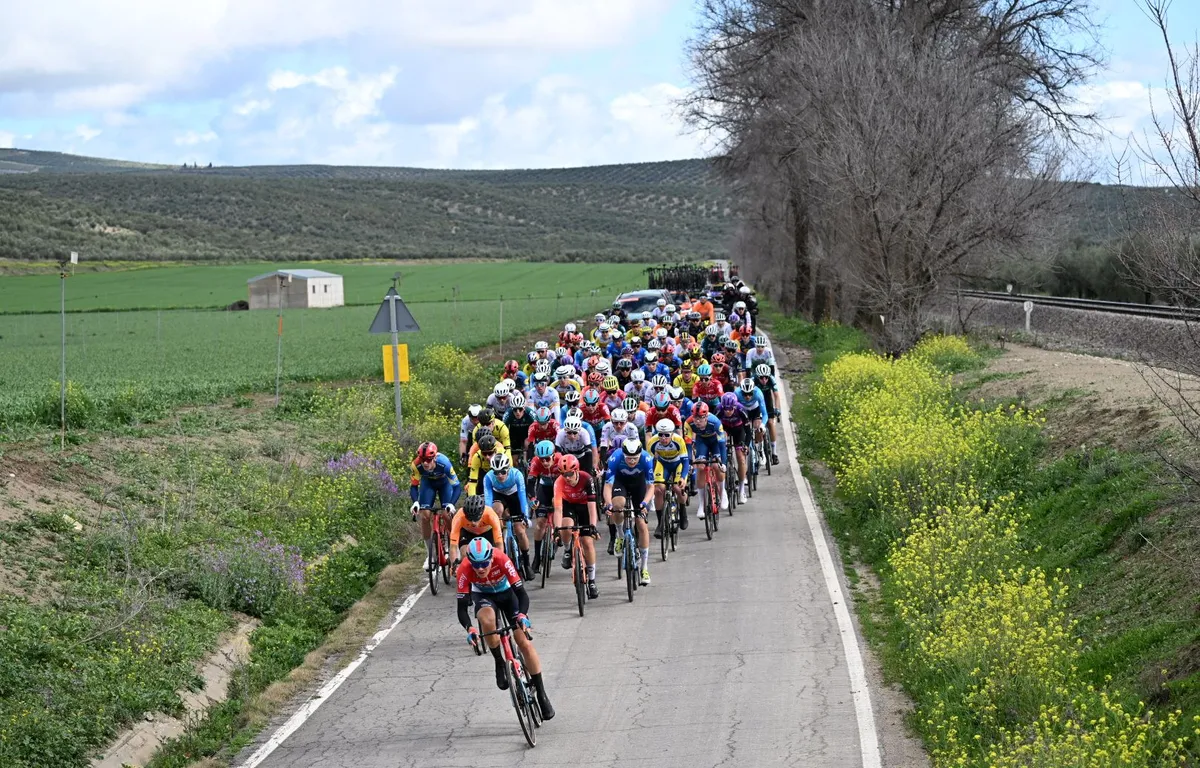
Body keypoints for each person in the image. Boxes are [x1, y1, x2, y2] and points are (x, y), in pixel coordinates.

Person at [456, 538, 555, 719]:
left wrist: (523, 616)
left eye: (484, 563)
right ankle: (499, 662)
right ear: (469, 561)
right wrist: (470, 628)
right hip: (484, 597)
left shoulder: (502, 559)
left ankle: (541, 693)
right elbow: (461, 608)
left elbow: (522, 594)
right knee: (487, 620)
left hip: (509, 595)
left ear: (491, 558)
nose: (480, 568)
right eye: (476, 564)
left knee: (523, 641)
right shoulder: (463, 569)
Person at [603, 438, 656, 586]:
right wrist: (608, 504)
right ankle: (620, 536)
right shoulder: (615, 458)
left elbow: (651, 487)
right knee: (618, 505)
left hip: (639, 484)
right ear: (623, 454)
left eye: (634, 459)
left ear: (639, 455)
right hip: (621, 482)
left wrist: (645, 503)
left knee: (641, 524)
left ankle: (644, 568)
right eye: (628, 458)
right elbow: (608, 486)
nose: (632, 461)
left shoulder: (646, 458)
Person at [553, 454, 600, 599]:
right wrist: (556, 530)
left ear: (577, 470)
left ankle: (591, 580)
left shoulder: (587, 479)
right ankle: (568, 550)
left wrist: (592, 526)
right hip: (568, 506)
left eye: (569, 474)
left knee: (587, 542)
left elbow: (593, 508)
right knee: (566, 526)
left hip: (584, 506)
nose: (567, 478)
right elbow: (558, 509)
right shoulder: (559, 482)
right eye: (563, 474)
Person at [409, 442, 463, 563]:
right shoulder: (416, 465)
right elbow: (413, 486)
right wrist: (415, 502)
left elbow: (457, 487)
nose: (425, 463)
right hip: (428, 484)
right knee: (425, 516)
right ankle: (430, 555)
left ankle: (454, 547)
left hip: (445, 484)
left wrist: (451, 504)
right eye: (423, 460)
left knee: (446, 514)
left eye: (428, 460)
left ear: (434, 457)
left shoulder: (444, 464)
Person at [483, 452, 532, 578]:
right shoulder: (488, 477)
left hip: (515, 496)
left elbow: (522, 496)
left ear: (508, 469)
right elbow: (488, 499)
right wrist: (490, 518)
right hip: (500, 497)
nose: (499, 475)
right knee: (496, 509)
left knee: (520, 530)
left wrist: (525, 515)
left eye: (503, 472)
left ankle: (527, 563)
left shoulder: (517, 474)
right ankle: (500, 534)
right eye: (496, 472)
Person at [646, 418, 690, 533]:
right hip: (663, 463)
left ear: (672, 434)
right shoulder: (653, 442)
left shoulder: (679, 440)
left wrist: (683, 477)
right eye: (661, 435)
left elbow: (685, 461)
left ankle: (683, 511)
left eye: (667, 435)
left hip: (678, 463)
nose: (664, 438)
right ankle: (661, 523)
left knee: (677, 488)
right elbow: (649, 462)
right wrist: (649, 478)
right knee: (658, 489)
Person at [684, 403, 729, 512]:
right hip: (702, 441)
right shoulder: (688, 423)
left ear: (706, 417)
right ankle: (702, 504)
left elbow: (722, 445)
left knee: (716, 465)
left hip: (715, 442)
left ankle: (722, 493)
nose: (697, 421)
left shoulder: (715, 422)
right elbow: (688, 445)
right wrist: (690, 462)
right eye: (695, 417)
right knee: (700, 467)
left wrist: (723, 463)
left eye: (700, 418)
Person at [527, 440, 559, 574]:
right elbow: (530, 483)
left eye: (547, 459)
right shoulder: (535, 462)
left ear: (553, 455)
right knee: (540, 523)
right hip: (544, 488)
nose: (545, 462)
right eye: (542, 460)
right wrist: (533, 499)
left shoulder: (560, 459)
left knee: (559, 510)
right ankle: (537, 558)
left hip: (559, 487)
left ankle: (559, 533)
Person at [717, 392, 751, 504]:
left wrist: (746, 445)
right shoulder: (718, 410)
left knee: (741, 458)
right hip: (725, 429)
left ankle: (741, 490)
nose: (727, 411)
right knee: (721, 452)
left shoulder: (741, 410)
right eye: (725, 409)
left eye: (730, 409)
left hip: (738, 430)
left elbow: (748, 431)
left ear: (734, 406)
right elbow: (714, 429)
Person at [450, 493, 503, 562]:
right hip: (468, 533)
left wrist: (499, 562)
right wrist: (453, 567)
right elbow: (453, 546)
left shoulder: (491, 515)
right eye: (469, 519)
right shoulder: (458, 517)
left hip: (487, 532)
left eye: (476, 519)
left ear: (482, 513)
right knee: (465, 555)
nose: (473, 523)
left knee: (493, 555)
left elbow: (499, 544)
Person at [753, 364, 783, 464]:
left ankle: (774, 454)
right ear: (757, 376)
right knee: (758, 427)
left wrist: (777, 409)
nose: (764, 380)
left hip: (767, 400)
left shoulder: (771, 379)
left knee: (770, 423)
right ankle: (759, 450)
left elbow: (776, 396)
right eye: (761, 377)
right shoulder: (753, 381)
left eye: (766, 377)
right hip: (756, 402)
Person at [503, 392, 534, 466]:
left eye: (520, 409)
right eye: (515, 410)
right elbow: (503, 429)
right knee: (514, 461)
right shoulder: (508, 414)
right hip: (514, 435)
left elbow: (535, 427)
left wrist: (530, 438)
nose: (518, 412)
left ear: (524, 408)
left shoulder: (530, 413)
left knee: (529, 448)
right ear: (511, 409)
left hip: (527, 434)